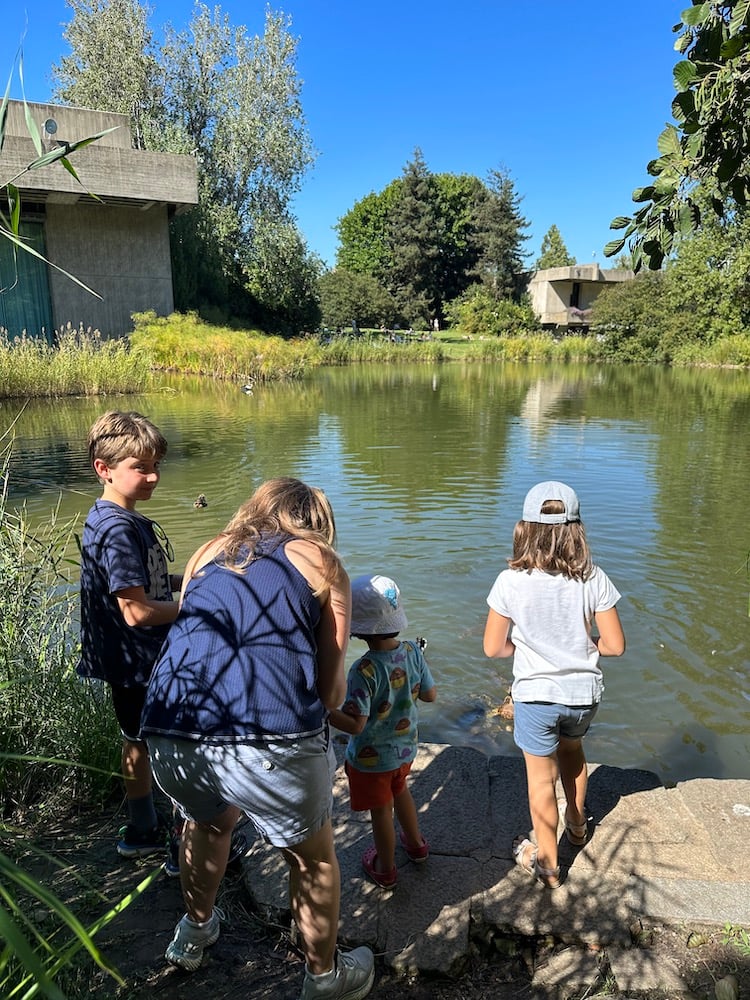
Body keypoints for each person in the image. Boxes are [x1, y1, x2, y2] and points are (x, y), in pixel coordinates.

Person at [140, 478, 375, 1000]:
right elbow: (332, 691)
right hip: (268, 737)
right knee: (311, 857)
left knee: (205, 822)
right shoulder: (320, 560)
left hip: (170, 725)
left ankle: (194, 934)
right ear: (317, 525)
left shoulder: (206, 551)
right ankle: (324, 979)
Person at [483, 481, 625, 889]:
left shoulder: (510, 581)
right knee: (574, 749)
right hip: (583, 696)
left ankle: (546, 865)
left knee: (539, 781)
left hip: (535, 697)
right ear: (576, 529)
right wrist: (582, 645)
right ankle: (577, 825)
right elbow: (614, 645)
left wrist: (525, 646)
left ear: (524, 528)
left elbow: (493, 647)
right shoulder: (593, 577)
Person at [78, 410, 182, 860]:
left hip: (128, 663)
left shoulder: (112, 517)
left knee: (135, 740)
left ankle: (142, 829)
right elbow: (138, 611)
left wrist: (194, 579)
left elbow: (146, 585)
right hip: (142, 662)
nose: (153, 476)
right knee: (174, 743)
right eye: (140, 467)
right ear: (104, 469)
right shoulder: (117, 529)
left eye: (156, 464)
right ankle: (186, 846)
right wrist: (198, 606)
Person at [329, 574, 436, 890]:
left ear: (357, 628)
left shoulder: (363, 670)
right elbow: (430, 695)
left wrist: (325, 712)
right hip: (405, 751)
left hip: (371, 760)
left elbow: (356, 724)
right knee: (401, 790)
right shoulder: (413, 652)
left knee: (380, 813)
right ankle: (416, 846)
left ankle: (385, 868)